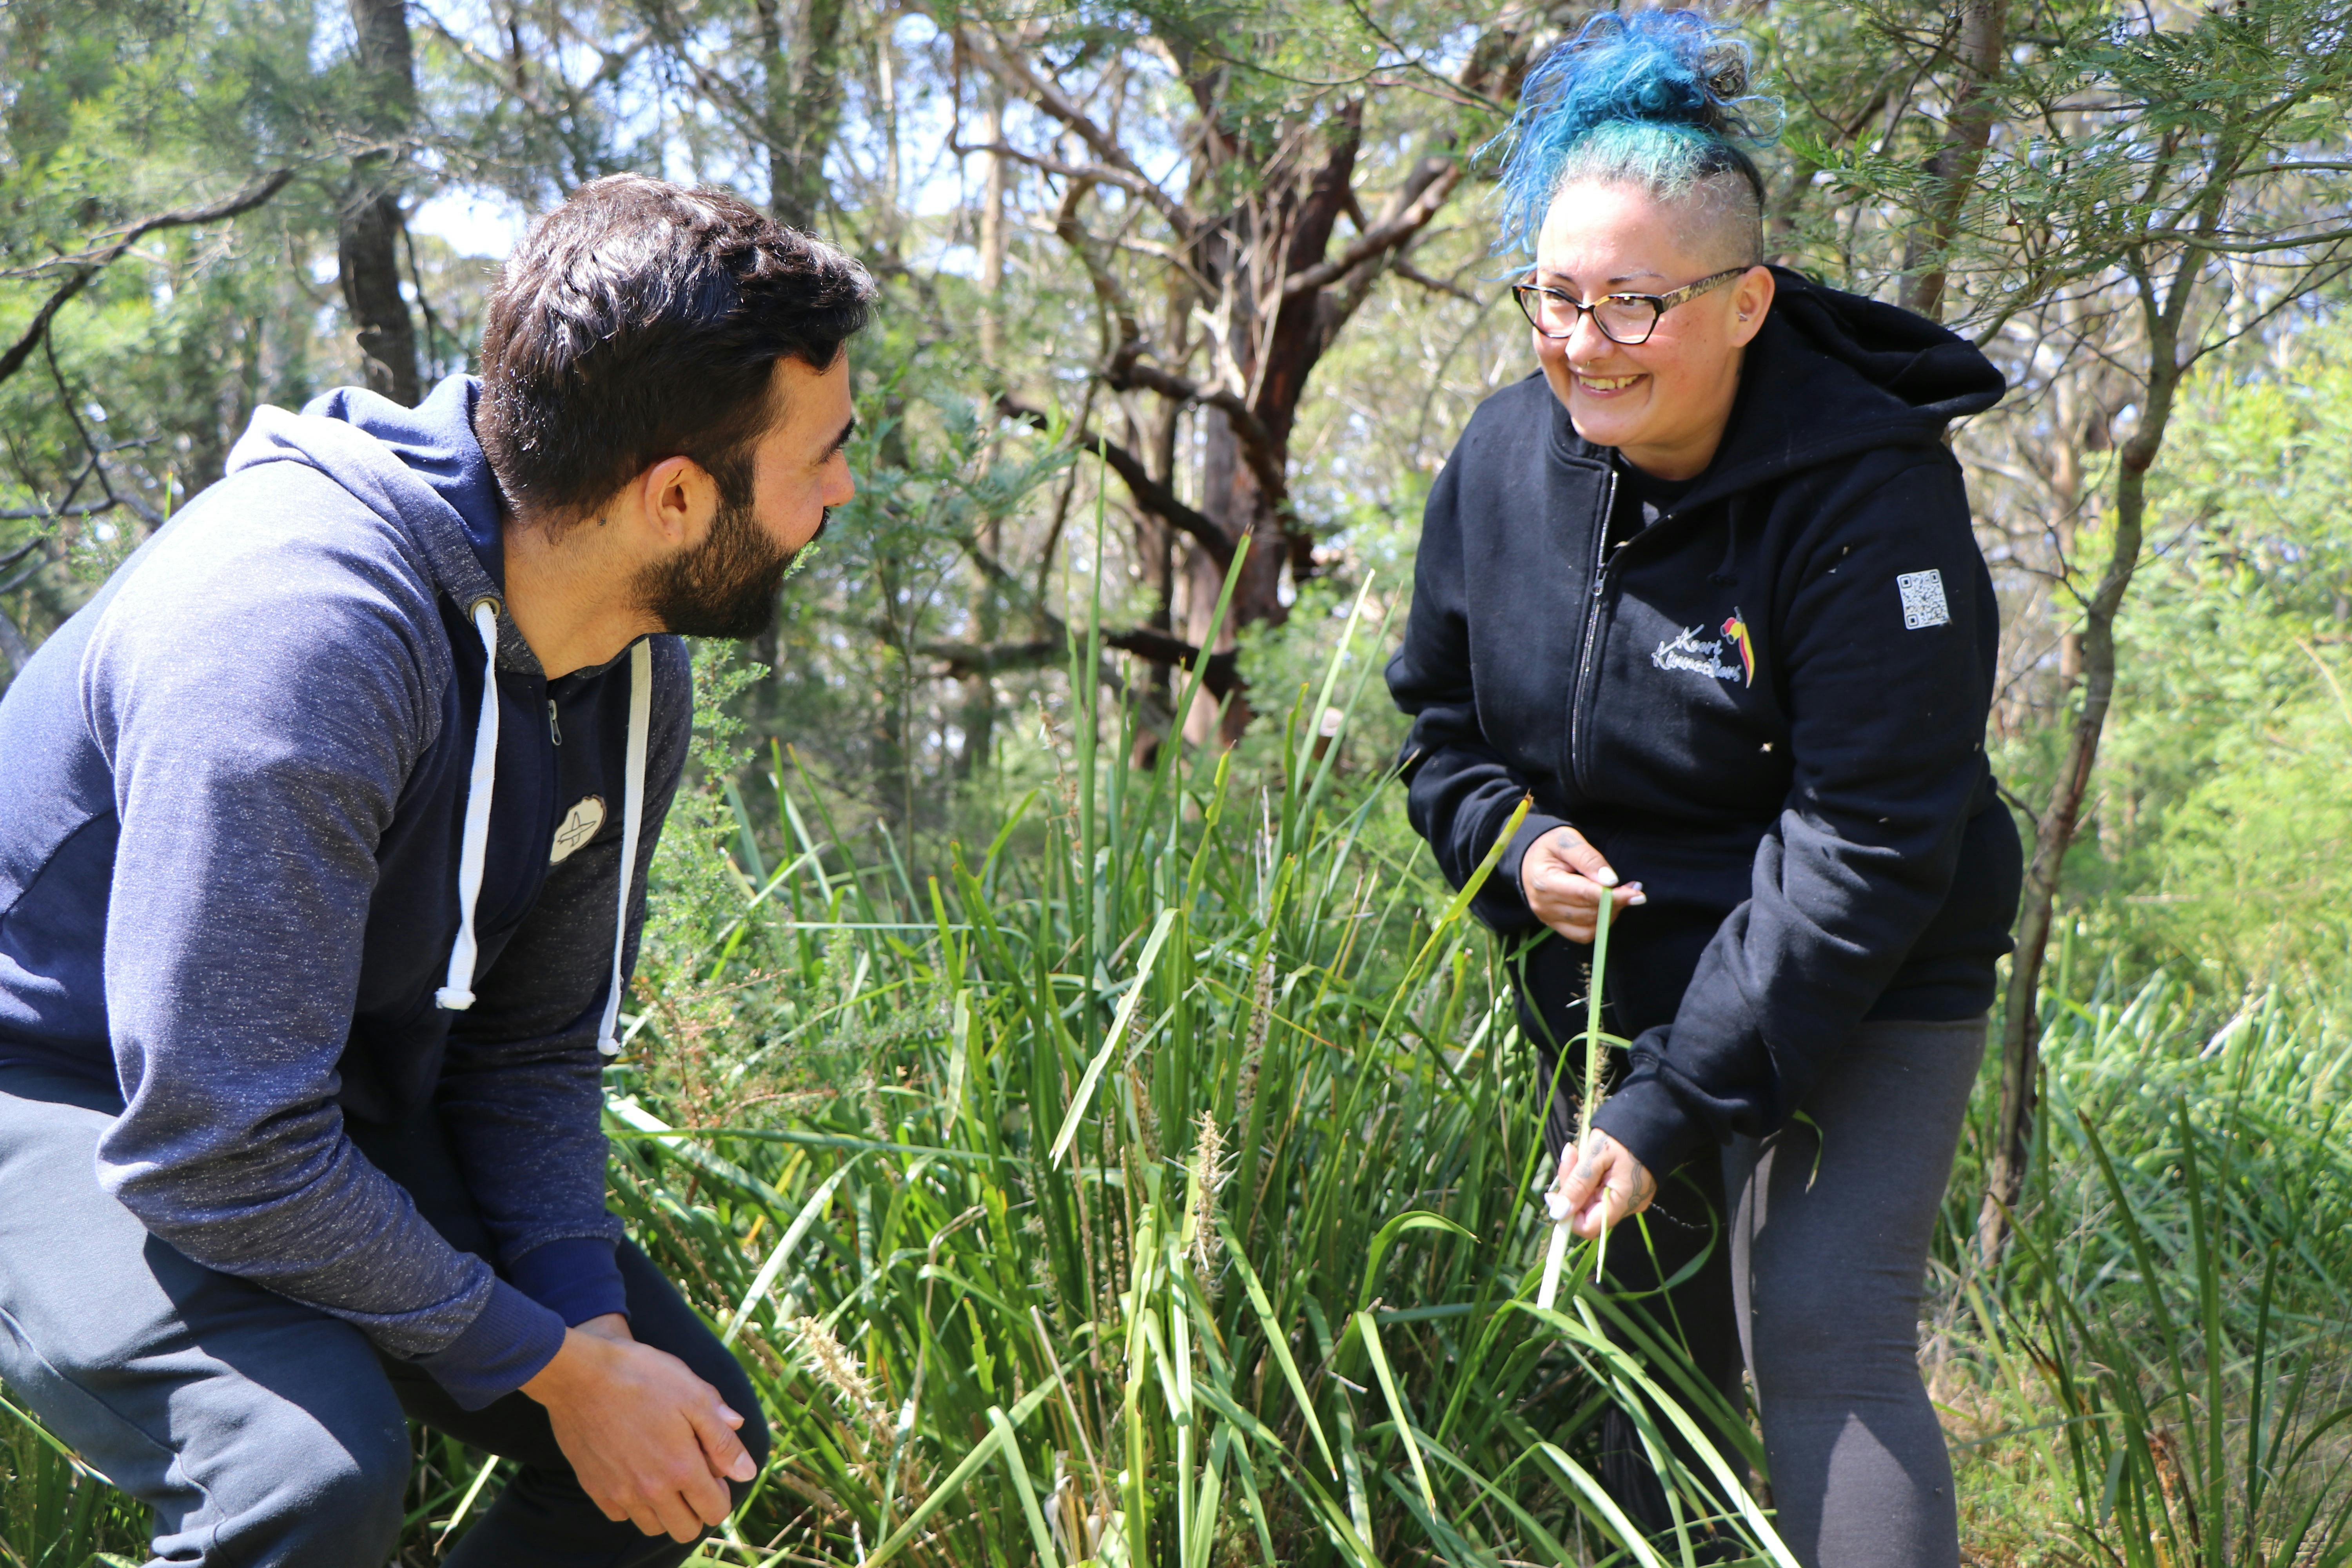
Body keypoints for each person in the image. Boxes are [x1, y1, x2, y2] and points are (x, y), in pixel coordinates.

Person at [0, 175, 872, 1566]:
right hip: (60, 1081)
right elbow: (215, 1143)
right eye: (822, 453)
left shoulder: (631, 660)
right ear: (675, 496)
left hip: (303, 1092)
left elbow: (528, 1050)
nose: (842, 488)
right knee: (300, 1473)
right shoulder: (298, 639)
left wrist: (587, 1333)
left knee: (683, 1445)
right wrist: (561, 1373)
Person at [1386, 14, 2021, 1568]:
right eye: (1556, 295)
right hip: (1619, 982)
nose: (1585, 339)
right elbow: (1438, 733)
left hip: (1870, 968)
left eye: (1636, 303)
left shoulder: (1874, 496)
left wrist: (1673, 1104)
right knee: (1639, 1370)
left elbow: (1871, 844)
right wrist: (1509, 842)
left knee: (1820, 1325)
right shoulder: (1499, 460)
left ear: (1746, 302)